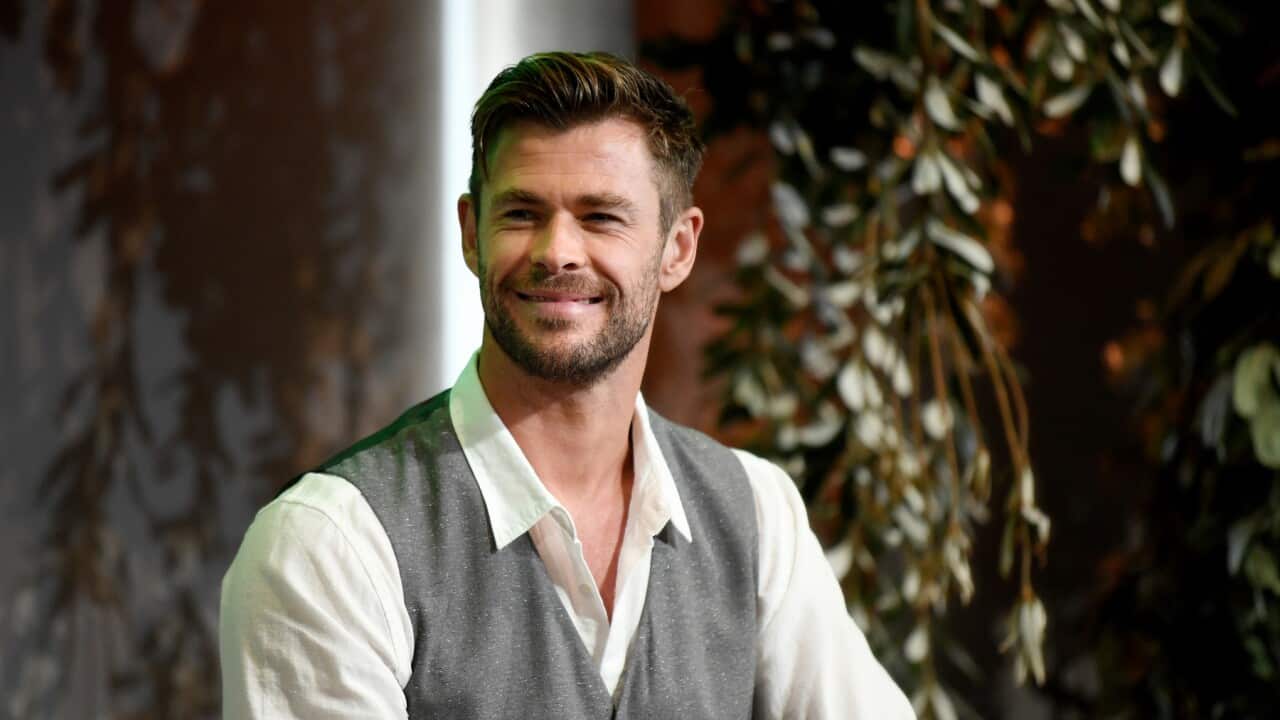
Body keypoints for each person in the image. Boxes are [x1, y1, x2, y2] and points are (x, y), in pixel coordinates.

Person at [219, 51, 914, 719]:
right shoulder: (329, 545)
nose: (556, 252)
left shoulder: (758, 516)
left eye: (601, 216)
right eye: (521, 213)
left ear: (679, 247)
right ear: (471, 234)